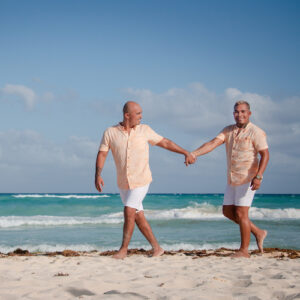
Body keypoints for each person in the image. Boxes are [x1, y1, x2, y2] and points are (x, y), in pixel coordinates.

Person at [95, 101, 195, 259]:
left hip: (141, 180)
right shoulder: (110, 132)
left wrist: (185, 152)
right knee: (137, 215)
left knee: (129, 210)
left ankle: (123, 250)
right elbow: (102, 153)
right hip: (123, 183)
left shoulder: (144, 130)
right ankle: (157, 248)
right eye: (138, 114)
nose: (141, 116)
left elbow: (165, 142)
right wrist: (97, 174)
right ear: (127, 115)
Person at [188, 101, 269, 258]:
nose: (240, 114)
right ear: (233, 114)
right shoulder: (228, 130)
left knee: (241, 213)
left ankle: (244, 251)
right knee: (227, 211)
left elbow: (265, 155)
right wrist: (194, 153)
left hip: (248, 178)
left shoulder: (256, 132)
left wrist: (259, 176)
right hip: (232, 178)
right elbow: (212, 143)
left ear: (249, 114)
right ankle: (258, 232)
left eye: (243, 111)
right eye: (237, 112)